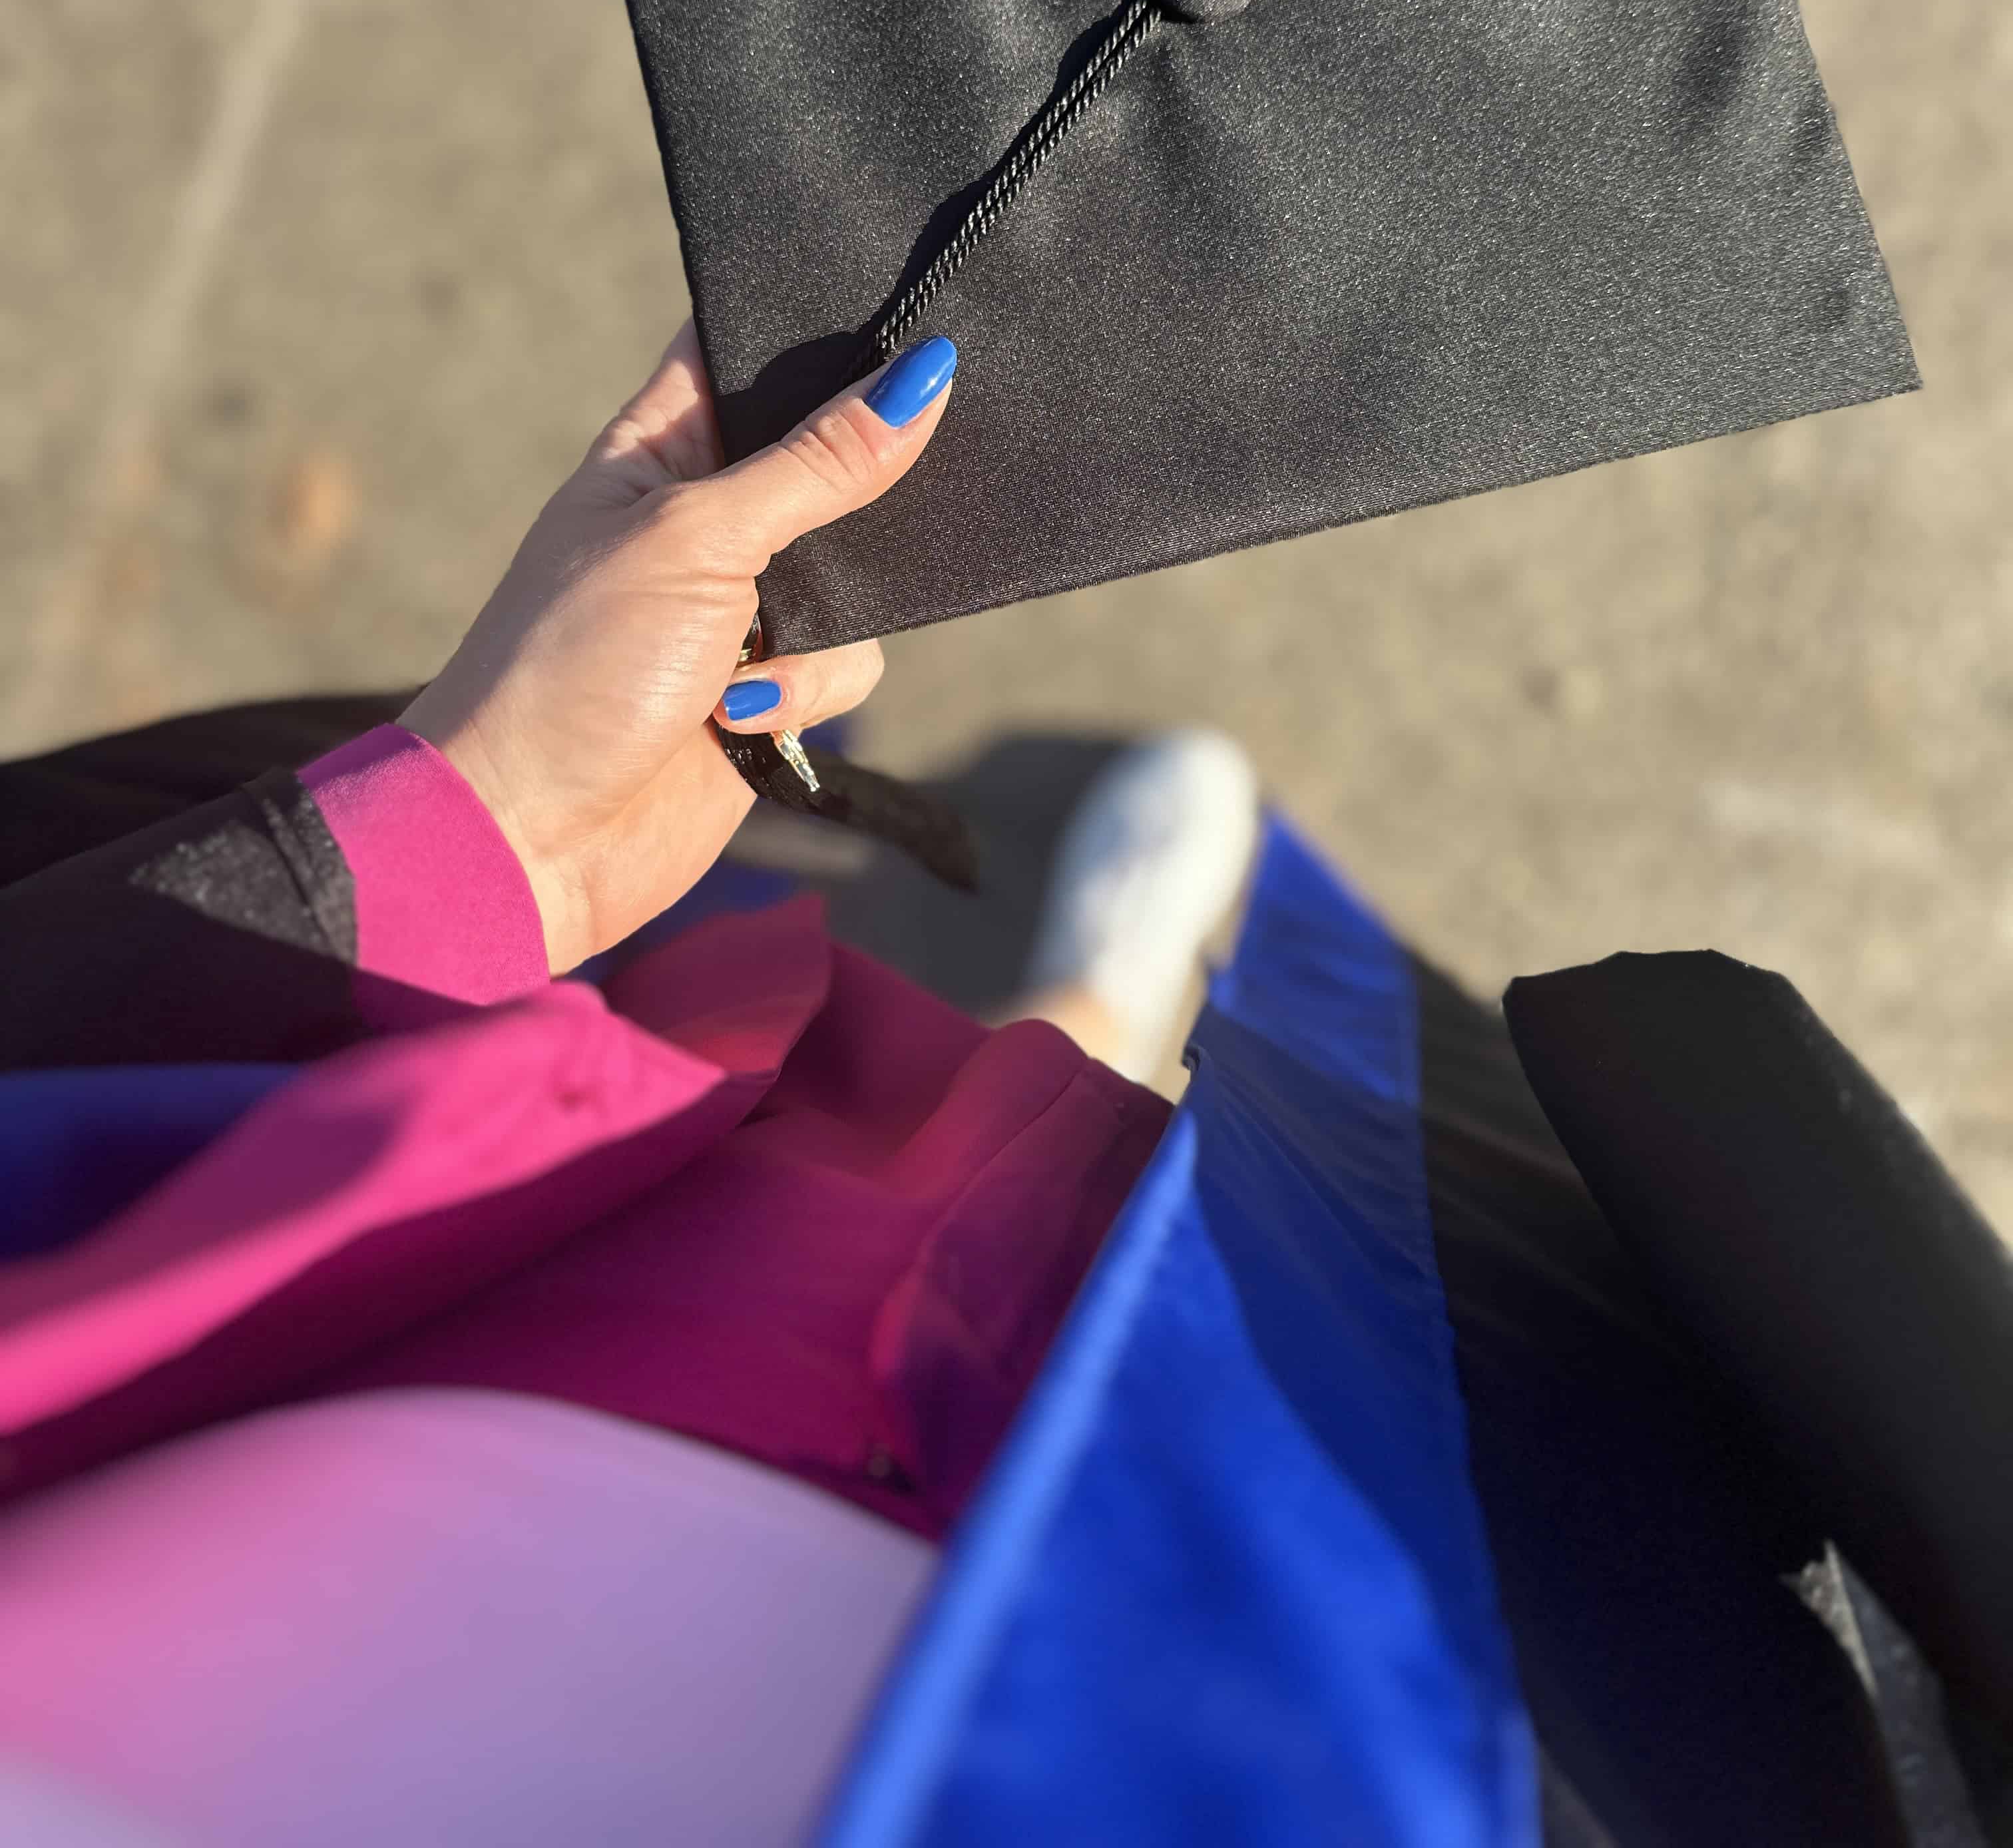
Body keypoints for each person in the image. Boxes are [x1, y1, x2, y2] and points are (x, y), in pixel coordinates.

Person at [0, 326, 1257, 1848]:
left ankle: (1048, 1013)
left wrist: (502, 832)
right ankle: (1095, 1028)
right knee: (1161, 1271)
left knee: (750, 1059)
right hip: (1140, 1677)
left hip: (388, 1320)